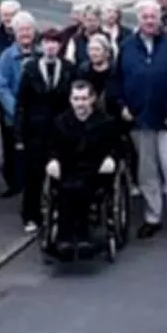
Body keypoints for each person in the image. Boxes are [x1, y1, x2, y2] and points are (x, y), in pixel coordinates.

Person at [110, 0, 167, 241]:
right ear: (139, 19)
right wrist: (122, 106)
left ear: (160, 19)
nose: (149, 21)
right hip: (140, 120)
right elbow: (116, 81)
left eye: (153, 16)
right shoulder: (127, 47)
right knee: (147, 172)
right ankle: (152, 217)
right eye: (145, 17)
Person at [46, 80, 120, 258]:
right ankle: (64, 237)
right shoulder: (60, 122)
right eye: (76, 99)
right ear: (70, 100)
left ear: (92, 99)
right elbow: (51, 147)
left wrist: (111, 158)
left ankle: (83, 236)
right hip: (68, 169)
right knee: (65, 189)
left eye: (84, 98)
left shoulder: (106, 122)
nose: (80, 103)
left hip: (95, 170)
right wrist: (52, 160)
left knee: (82, 188)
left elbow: (118, 147)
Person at [14, 28, 74, 234]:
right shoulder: (30, 68)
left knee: (63, 173)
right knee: (33, 176)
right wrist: (19, 135)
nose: (50, 46)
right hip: (35, 132)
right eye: (47, 42)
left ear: (60, 46)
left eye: (54, 42)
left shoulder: (68, 68)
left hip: (61, 131)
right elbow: (21, 104)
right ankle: (31, 215)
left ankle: (60, 213)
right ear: (41, 45)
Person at [0, 10, 39, 198]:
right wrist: (17, 110)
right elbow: (1, 86)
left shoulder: (41, 53)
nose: (25, 34)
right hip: (13, 115)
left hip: (37, 115)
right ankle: (13, 185)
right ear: (14, 33)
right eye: (21, 30)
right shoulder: (6, 56)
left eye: (28, 29)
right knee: (12, 152)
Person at [76, 33, 115, 106]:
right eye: (91, 49)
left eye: (97, 49)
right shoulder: (83, 70)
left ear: (107, 52)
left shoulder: (116, 71)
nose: (93, 53)